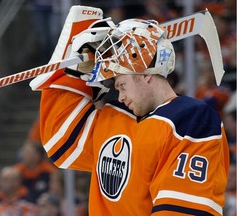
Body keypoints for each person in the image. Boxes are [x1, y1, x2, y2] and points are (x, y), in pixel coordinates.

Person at [33, 11, 229, 215]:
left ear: (145, 73)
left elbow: (181, 210)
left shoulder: (192, 120)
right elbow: (59, 141)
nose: (120, 96)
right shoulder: (115, 116)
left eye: (122, 85)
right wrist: (74, 65)